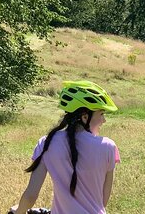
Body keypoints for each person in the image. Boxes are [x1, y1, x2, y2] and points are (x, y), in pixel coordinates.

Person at [9, 81, 120, 214]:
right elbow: (102, 202)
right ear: (85, 117)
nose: (104, 120)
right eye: (101, 114)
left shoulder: (47, 143)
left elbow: (31, 195)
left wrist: (18, 211)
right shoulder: (108, 147)